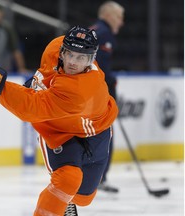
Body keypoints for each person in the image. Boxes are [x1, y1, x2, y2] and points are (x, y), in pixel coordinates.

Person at [0, 26, 118, 216]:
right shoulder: (54, 47)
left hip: (96, 132)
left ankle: (69, 199)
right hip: (57, 130)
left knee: (83, 197)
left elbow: (33, 106)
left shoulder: (83, 90)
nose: (73, 62)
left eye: (81, 58)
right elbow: (43, 82)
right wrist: (15, 84)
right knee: (68, 179)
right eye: (70, 54)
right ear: (62, 51)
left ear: (91, 60)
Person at [89, 1, 125, 193]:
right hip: (98, 95)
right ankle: (99, 178)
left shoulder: (94, 31)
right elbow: (99, 68)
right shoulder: (104, 34)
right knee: (105, 134)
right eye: (119, 17)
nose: (121, 22)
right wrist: (111, 83)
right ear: (109, 15)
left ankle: (93, 177)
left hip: (90, 94)